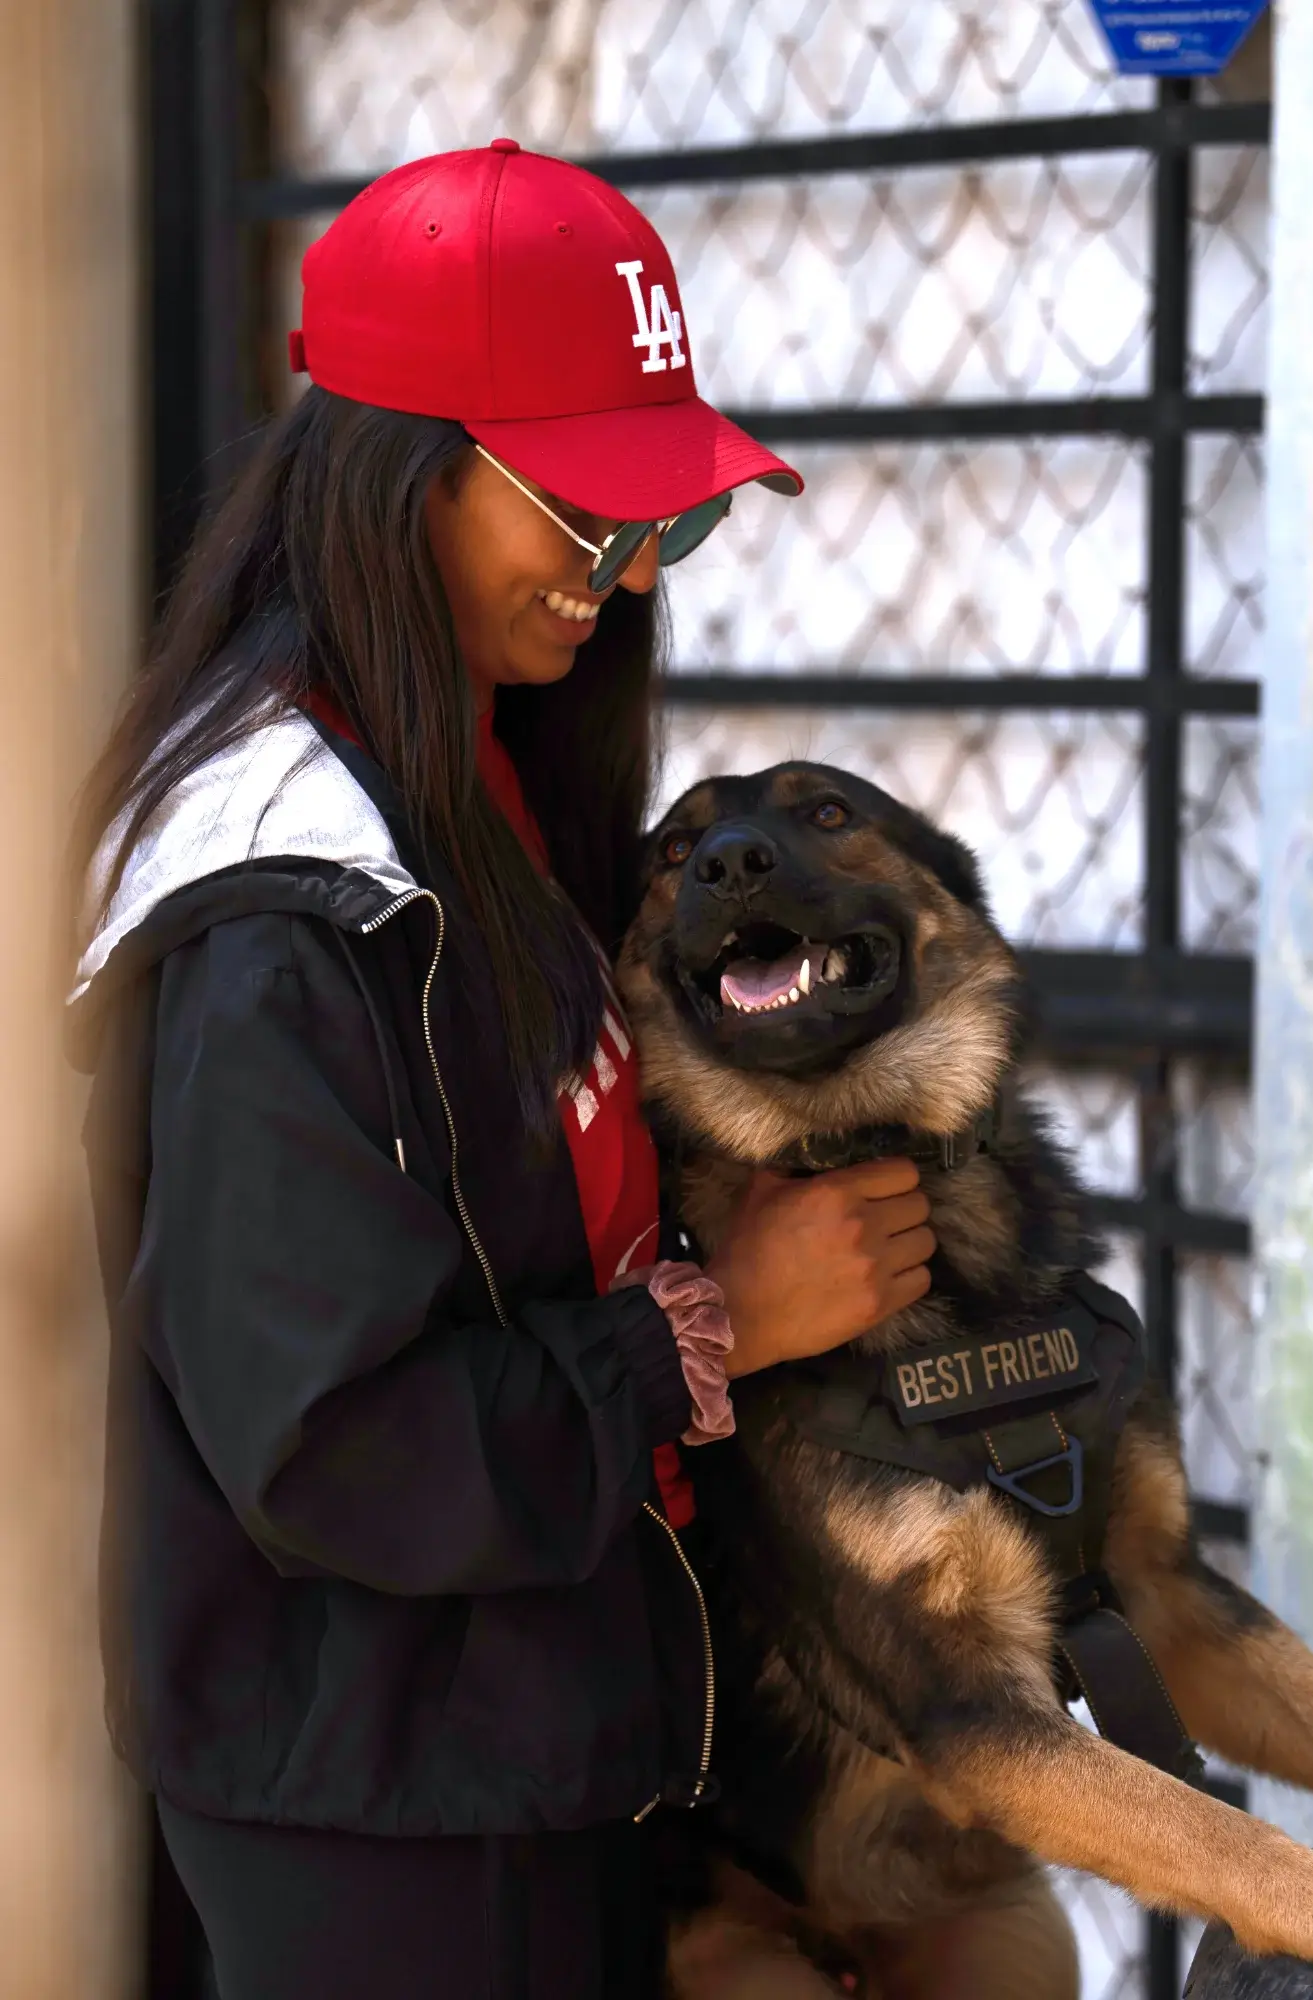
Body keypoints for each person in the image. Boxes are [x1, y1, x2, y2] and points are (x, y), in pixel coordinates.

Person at [69, 141, 936, 2000]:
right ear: (403, 470)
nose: (619, 579)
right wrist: (717, 1323)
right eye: (580, 514)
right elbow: (333, 1441)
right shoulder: (283, 903)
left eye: (663, 527)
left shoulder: (478, 780)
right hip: (387, 1806)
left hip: (531, 1757)